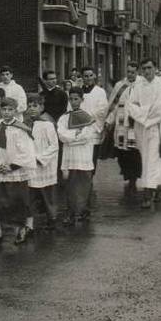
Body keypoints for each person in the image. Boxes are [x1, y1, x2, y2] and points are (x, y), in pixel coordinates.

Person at [0, 97, 36, 243]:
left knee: (17, 200)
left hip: (16, 171)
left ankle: (20, 229)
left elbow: (27, 152)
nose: (6, 112)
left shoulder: (21, 129)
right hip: (0, 169)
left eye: (10, 109)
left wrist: (12, 166)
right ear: (0, 110)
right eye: (4, 109)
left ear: (15, 110)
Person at [126, 59, 161, 209]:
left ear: (155, 68)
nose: (147, 71)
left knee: (152, 158)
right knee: (146, 157)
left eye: (149, 68)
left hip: (157, 127)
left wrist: (143, 111)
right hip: (141, 127)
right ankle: (158, 186)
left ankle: (148, 193)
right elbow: (130, 104)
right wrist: (142, 113)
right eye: (144, 68)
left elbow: (160, 109)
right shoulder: (138, 86)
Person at [57, 88, 98, 226]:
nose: (73, 102)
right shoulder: (64, 117)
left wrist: (72, 137)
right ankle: (71, 211)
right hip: (70, 155)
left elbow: (87, 136)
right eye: (71, 99)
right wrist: (75, 135)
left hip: (84, 155)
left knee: (84, 183)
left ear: (82, 100)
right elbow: (61, 135)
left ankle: (82, 210)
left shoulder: (88, 117)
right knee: (70, 184)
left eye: (76, 99)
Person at [104, 62, 143, 192]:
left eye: (133, 72)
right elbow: (113, 105)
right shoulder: (120, 86)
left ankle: (134, 178)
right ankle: (127, 173)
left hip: (135, 124)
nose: (130, 74)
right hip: (121, 125)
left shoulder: (142, 85)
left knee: (134, 152)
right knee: (122, 152)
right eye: (128, 72)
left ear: (137, 72)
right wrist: (109, 121)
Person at [24, 94, 60, 231]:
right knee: (30, 195)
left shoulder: (47, 124)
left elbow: (54, 146)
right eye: (30, 106)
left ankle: (52, 218)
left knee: (47, 194)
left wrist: (39, 158)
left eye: (35, 106)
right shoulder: (25, 123)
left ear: (41, 107)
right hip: (30, 165)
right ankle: (29, 224)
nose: (32, 109)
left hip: (44, 165)